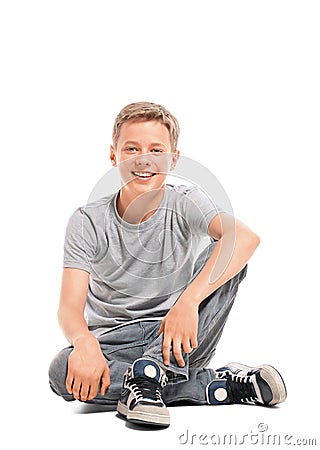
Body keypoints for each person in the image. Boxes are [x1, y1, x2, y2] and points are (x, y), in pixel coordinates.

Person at [49, 101, 287, 428]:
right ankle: (198, 385)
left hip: (178, 339)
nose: (144, 159)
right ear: (113, 155)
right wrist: (85, 343)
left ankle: (149, 380)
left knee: (228, 254)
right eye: (131, 148)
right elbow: (68, 308)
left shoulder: (186, 201)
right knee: (62, 370)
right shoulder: (87, 221)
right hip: (115, 345)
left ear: (174, 157)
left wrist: (187, 303)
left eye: (156, 150)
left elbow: (246, 238)